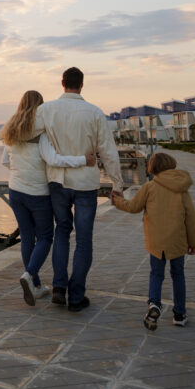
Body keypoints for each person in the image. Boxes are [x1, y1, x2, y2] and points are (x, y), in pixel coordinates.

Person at [36, 67, 123, 311]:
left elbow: (29, 135)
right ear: (82, 84)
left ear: (62, 83)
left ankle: (59, 288)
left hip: (58, 181)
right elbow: (108, 150)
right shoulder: (94, 113)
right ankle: (76, 297)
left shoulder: (46, 110)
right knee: (84, 240)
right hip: (85, 183)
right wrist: (117, 184)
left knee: (62, 231)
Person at [0, 90, 96, 306]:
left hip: (15, 191)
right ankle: (29, 275)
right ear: (41, 107)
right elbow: (54, 159)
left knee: (27, 237)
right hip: (37, 193)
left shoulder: (11, 130)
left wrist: (21, 172)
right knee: (45, 237)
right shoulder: (42, 132)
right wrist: (83, 159)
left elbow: (5, 162)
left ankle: (35, 286)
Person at [111, 152, 195, 329]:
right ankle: (180, 314)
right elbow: (191, 217)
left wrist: (117, 201)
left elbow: (133, 207)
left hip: (157, 242)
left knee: (156, 274)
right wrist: (193, 242)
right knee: (178, 275)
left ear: (153, 168)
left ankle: (154, 304)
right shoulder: (182, 188)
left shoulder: (149, 187)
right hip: (178, 241)